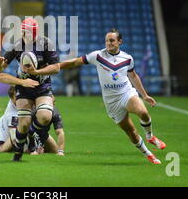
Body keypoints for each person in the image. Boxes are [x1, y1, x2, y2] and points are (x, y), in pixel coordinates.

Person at [55, 28, 166, 165]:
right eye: (107, 40)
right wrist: (57, 66)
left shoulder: (127, 58)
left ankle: (150, 137)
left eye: (112, 40)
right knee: (131, 131)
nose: (109, 43)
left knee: (142, 112)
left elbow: (133, 76)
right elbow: (74, 62)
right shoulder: (97, 56)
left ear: (120, 42)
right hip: (111, 102)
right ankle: (148, 154)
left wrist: (145, 95)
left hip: (126, 93)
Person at [0, 18, 60, 161]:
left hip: (42, 86)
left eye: (29, 32)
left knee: (45, 117)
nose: (26, 34)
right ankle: (18, 153)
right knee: (23, 123)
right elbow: (1, 68)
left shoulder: (46, 43)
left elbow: (56, 67)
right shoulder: (17, 45)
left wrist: (36, 73)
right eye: (24, 31)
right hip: (24, 86)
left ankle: (33, 131)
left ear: (35, 31)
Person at [0, 86, 65, 155]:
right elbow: (15, 137)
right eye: (15, 98)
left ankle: (36, 145)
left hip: (32, 127)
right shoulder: (11, 114)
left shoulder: (29, 98)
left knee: (54, 150)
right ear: (12, 98)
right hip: (12, 127)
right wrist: (27, 148)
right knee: (4, 149)